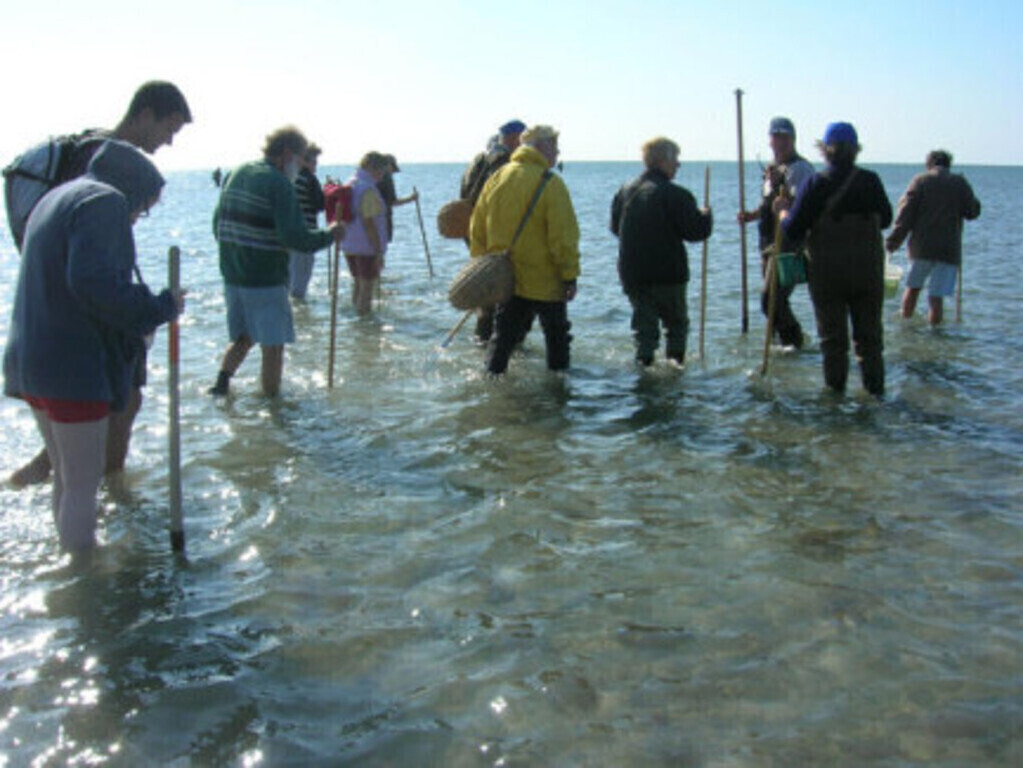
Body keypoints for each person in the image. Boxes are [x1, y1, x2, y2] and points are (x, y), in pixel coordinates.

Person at [8, 80, 192, 488]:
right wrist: (152, 308)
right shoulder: (100, 164)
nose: (169, 142)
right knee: (113, 410)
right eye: (169, 129)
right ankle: (104, 498)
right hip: (87, 328)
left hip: (50, 333)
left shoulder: (92, 158)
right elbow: (91, 275)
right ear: (145, 114)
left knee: (84, 430)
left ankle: (74, 491)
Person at [3, 141, 184, 552]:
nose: (139, 216)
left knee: (68, 479)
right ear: (132, 185)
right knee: (84, 484)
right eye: (144, 207)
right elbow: (95, 285)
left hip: (31, 360)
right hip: (72, 367)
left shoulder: (59, 196)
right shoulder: (105, 201)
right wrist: (160, 306)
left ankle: (71, 571)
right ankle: (86, 582)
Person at [209, 126, 342, 397]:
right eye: (301, 158)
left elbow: (216, 225)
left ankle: (221, 383)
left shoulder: (238, 171)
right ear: (286, 153)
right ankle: (273, 406)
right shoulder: (278, 182)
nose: (301, 166)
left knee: (243, 336)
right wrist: (331, 234)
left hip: (233, 274)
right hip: (264, 277)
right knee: (274, 345)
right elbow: (296, 237)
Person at [781, 122, 893, 397]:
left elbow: (794, 229)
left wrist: (783, 212)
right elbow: (886, 220)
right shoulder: (870, 180)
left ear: (825, 150)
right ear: (855, 150)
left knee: (832, 341)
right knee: (870, 340)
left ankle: (835, 402)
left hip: (827, 274)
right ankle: (875, 395)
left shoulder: (816, 183)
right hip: (867, 272)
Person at [469, 124, 580, 376]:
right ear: (543, 148)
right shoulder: (551, 183)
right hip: (545, 280)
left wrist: (482, 266)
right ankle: (559, 395)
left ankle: (492, 386)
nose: (558, 154)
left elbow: (477, 227)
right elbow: (562, 237)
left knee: (502, 338)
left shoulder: (498, 176)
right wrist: (569, 275)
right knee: (557, 338)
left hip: (508, 277)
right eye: (555, 147)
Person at [610, 137, 713, 367]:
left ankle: (643, 368)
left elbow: (616, 229)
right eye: (675, 159)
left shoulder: (625, 191)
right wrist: (706, 215)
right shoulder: (675, 194)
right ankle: (675, 371)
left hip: (633, 274)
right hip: (668, 275)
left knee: (644, 331)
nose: (678, 165)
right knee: (676, 326)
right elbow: (696, 231)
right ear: (661, 161)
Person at [738, 117, 815, 348]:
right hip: (768, 242)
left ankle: (794, 343)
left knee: (770, 299)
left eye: (785, 137)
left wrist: (785, 207)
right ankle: (779, 344)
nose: (780, 142)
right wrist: (752, 215)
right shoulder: (773, 169)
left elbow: (802, 207)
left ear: (793, 139)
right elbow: (769, 205)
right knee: (773, 301)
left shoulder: (800, 169)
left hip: (789, 243)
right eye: (776, 137)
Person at [886, 150, 981, 325]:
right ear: (948, 164)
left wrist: (892, 242)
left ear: (929, 164)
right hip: (948, 250)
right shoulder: (959, 182)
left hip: (921, 248)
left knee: (912, 289)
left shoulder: (921, 181)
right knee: (936, 297)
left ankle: (906, 328)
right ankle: (935, 333)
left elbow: (905, 214)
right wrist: (966, 193)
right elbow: (973, 212)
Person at [461, 119, 527, 342]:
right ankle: (503, 344)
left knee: (486, 294)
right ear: (515, 137)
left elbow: (464, 199)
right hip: (498, 238)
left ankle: (484, 341)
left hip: (476, 235)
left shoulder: (477, 161)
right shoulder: (504, 162)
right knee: (505, 297)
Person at [341, 152, 391, 316]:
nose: (382, 176)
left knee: (357, 284)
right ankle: (364, 323)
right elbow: (369, 223)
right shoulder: (367, 189)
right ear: (372, 168)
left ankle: (357, 321)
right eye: (382, 171)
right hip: (366, 247)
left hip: (349, 244)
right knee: (367, 289)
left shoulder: (351, 182)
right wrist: (378, 251)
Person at [289, 142, 326, 300]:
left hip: (289, 233)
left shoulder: (289, 177)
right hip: (305, 232)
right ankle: (300, 309)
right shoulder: (308, 178)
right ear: (303, 160)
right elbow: (320, 204)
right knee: (301, 278)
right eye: (313, 162)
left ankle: (296, 313)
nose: (315, 166)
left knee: (291, 274)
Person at [375, 154, 418, 243]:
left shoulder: (372, 178)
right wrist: (411, 198)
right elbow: (392, 202)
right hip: (383, 219)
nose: (392, 173)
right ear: (388, 166)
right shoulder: (387, 179)